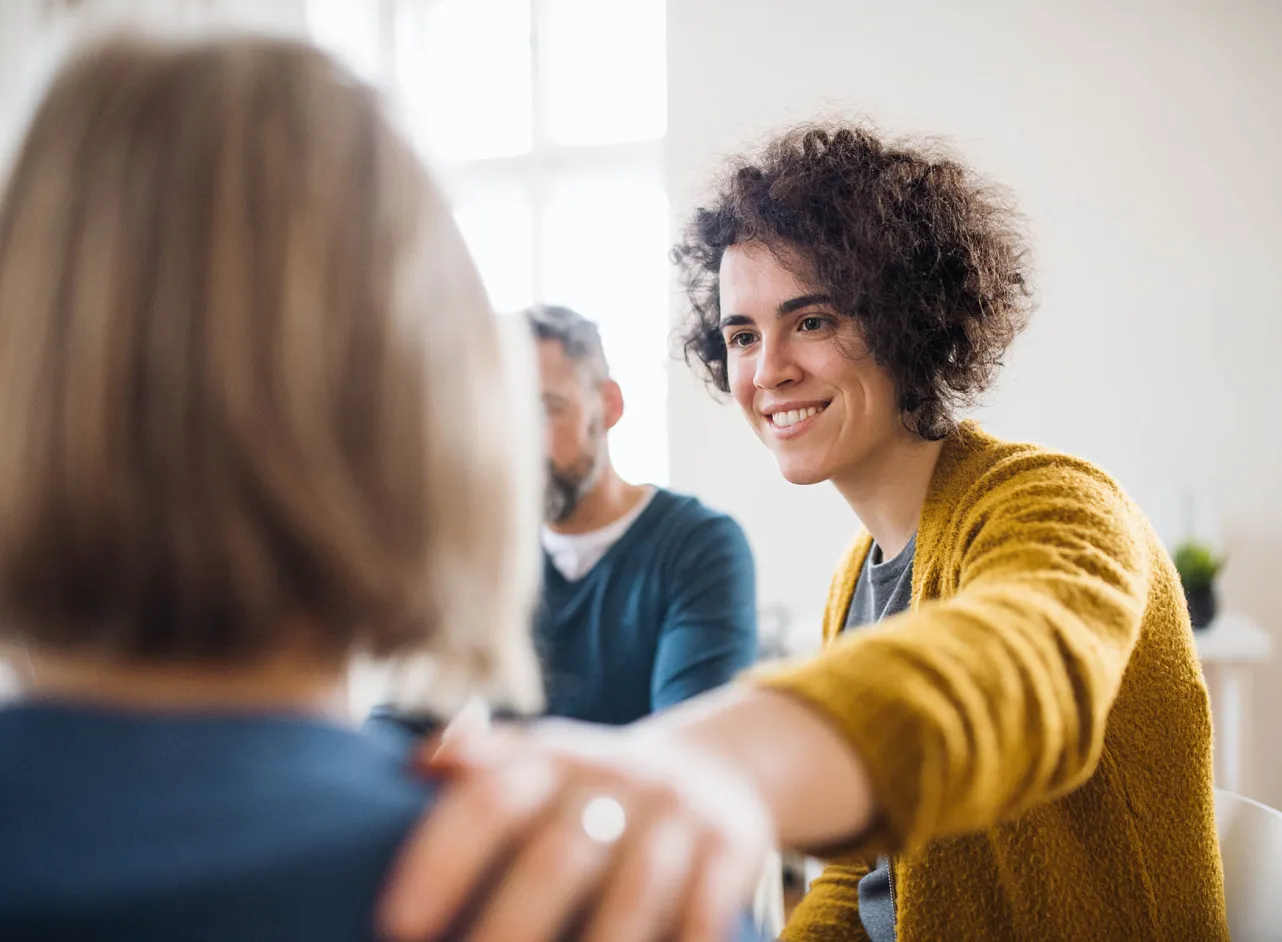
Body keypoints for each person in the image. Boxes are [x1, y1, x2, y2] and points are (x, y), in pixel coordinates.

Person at [379, 122, 1228, 942]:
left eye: (812, 320)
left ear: (907, 318)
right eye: (741, 335)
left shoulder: (1058, 501)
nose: (767, 368)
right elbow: (861, 883)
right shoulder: (856, 574)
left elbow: (1020, 666)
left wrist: (711, 759)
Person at [0, 35, 767, 942]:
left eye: (546, 410)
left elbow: (681, 736)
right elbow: (412, 717)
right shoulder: (603, 911)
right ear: (428, 435)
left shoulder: (694, 544)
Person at [526, 303, 758, 724]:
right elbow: (402, 721)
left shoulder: (700, 547)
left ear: (608, 405)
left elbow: (687, 752)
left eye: (544, 410)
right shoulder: (484, 556)